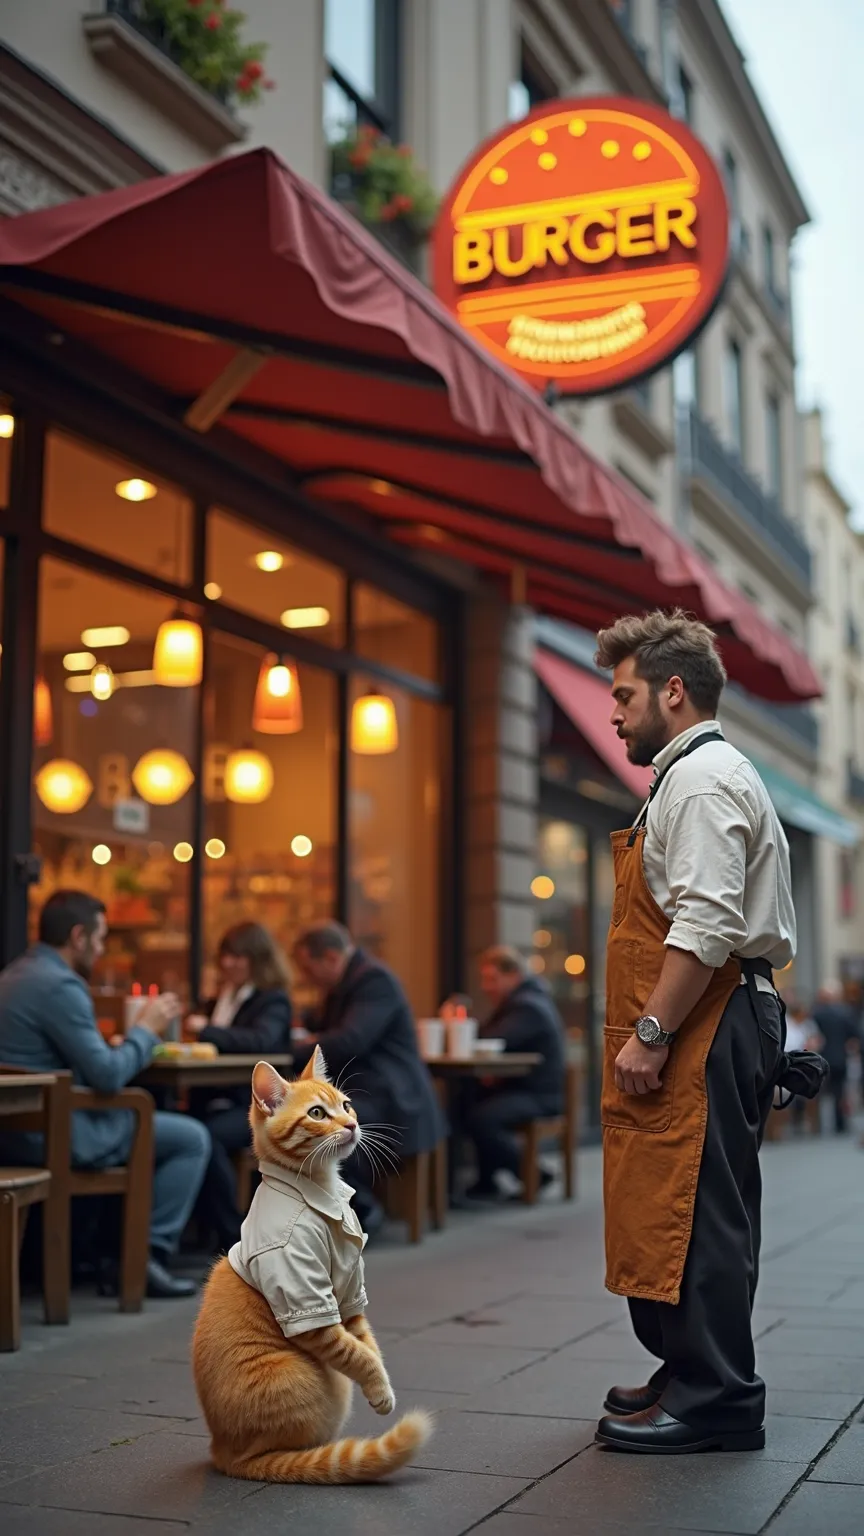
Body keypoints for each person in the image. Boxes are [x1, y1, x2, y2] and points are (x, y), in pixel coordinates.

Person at [592, 610, 794, 1455]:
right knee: (668, 1199)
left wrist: (651, 1029)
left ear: (673, 692)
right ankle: (687, 1370)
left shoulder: (705, 780)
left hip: (706, 1020)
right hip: (705, 1019)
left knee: (702, 1211)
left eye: (624, 694)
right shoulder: (685, 776)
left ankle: (718, 1397)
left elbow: (706, 923)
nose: (612, 711)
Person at [0, 890, 210, 1298]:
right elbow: (108, 1076)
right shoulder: (60, 986)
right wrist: (146, 1030)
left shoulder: (14, 975)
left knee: (151, 1122)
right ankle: (143, 1259)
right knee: (191, 1138)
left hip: (14, 1128)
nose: (100, 950)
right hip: (55, 1133)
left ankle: (110, 1251)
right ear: (78, 936)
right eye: (99, 939)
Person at [291, 921, 444, 1236]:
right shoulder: (347, 982)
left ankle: (362, 1207)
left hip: (394, 1095)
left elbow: (351, 1039)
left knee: (322, 1125)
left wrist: (295, 1047)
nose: (306, 977)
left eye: (308, 968)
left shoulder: (373, 980)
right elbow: (327, 1027)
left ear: (331, 957)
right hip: (367, 1087)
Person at [186, 922, 293, 1252]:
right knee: (185, 1128)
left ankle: (234, 1234)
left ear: (257, 960)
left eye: (238, 957)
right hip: (216, 1097)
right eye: (225, 956)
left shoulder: (273, 1001)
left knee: (206, 1137)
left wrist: (206, 1030)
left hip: (260, 1106)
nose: (228, 963)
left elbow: (261, 1041)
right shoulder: (220, 998)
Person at [461, 947, 565, 1202]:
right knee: (467, 1103)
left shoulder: (527, 1006)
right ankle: (487, 1180)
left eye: (492, 979)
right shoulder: (518, 1002)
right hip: (521, 1088)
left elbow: (493, 1039)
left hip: (539, 1095)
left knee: (482, 1117)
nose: (486, 987)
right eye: (484, 979)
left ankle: (534, 1175)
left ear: (514, 975)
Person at [812, 981, 860, 1133]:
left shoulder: (816, 1014)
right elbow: (854, 1035)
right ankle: (840, 1123)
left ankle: (816, 1124)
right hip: (840, 1058)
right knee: (839, 1091)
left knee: (817, 1091)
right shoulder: (845, 1013)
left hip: (820, 1058)